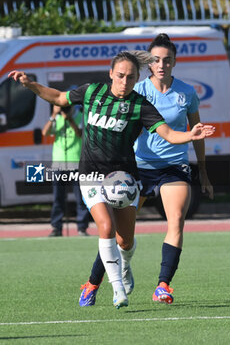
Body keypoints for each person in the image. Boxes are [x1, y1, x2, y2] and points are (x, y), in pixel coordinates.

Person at [8, 50, 215, 309]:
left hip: (124, 177)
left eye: (130, 77)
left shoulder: (140, 105)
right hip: (91, 174)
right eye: (120, 76)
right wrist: (30, 85)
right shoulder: (93, 92)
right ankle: (117, 290)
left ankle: (125, 265)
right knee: (105, 227)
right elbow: (59, 97)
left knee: (124, 240)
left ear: (137, 77)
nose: (125, 82)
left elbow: (170, 134)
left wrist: (191, 135)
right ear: (110, 74)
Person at [76, 35, 214, 308]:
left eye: (167, 59)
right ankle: (92, 283)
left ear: (175, 62)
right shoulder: (136, 91)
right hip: (136, 169)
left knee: (176, 220)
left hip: (174, 167)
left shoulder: (187, 93)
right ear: (149, 64)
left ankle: (162, 285)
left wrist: (204, 172)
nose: (162, 64)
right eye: (156, 60)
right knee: (117, 234)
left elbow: (195, 135)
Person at [42, 104, 90, 237]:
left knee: (80, 197)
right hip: (58, 163)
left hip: (75, 163)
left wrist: (69, 119)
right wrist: (53, 115)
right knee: (58, 197)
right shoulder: (56, 119)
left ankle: (82, 227)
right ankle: (56, 227)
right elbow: (45, 132)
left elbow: (80, 134)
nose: (65, 110)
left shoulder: (80, 116)